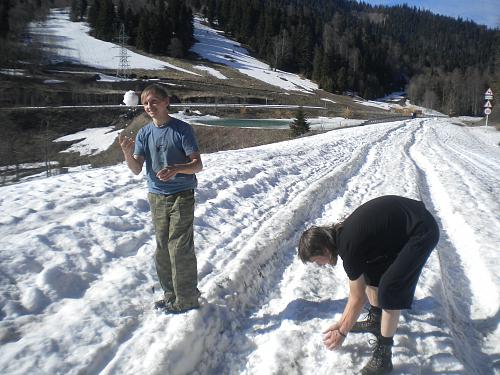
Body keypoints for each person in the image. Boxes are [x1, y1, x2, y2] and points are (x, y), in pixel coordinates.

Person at [298, 195, 439, 375]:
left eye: (316, 260)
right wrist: (341, 323)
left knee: (390, 289)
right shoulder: (344, 237)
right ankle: (376, 318)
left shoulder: (348, 247)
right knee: (371, 271)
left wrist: (342, 332)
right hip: (413, 222)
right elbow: (360, 288)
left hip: (422, 231)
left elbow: (357, 298)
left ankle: (384, 357)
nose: (319, 265)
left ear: (324, 249)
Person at [119, 84, 203, 314]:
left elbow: (198, 165)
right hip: (156, 196)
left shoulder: (182, 130)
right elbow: (136, 168)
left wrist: (176, 169)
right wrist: (127, 152)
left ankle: (186, 299)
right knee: (162, 248)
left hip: (182, 195)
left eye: (155, 101)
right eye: (146, 103)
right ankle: (170, 295)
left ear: (166, 102)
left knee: (179, 247)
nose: (150, 106)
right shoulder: (144, 133)